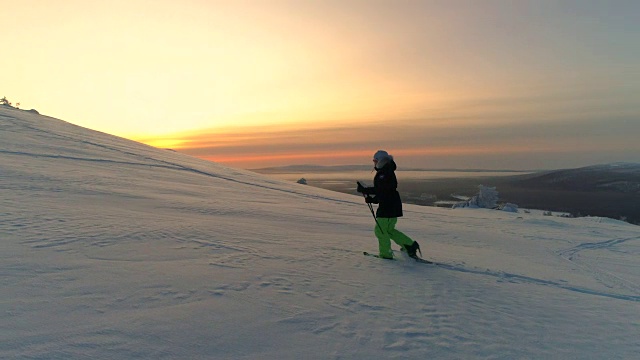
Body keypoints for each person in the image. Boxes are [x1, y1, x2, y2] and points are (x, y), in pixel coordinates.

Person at [357, 150, 421, 259]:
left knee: (380, 231)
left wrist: (365, 190)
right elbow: (386, 192)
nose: (374, 163)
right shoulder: (387, 170)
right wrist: (373, 200)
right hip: (393, 205)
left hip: (387, 207)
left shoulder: (384, 173)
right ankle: (410, 246)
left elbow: (381, 190)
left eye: (375, 160)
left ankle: (386, 254)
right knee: (388, 231)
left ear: (380, 160)